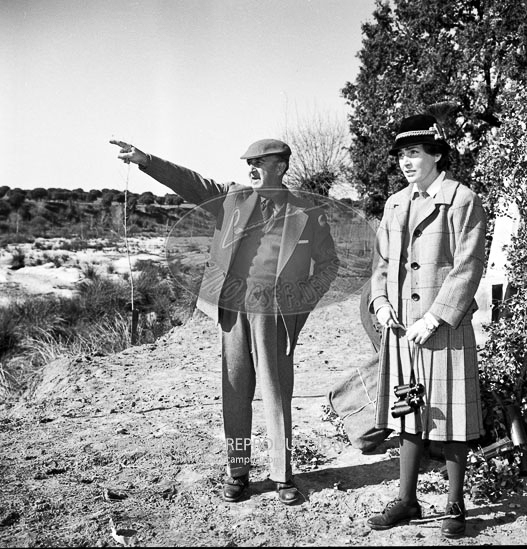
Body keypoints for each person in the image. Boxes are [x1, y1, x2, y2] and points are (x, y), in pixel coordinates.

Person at [110, 137, 339, 505]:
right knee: (234, 393)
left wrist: (301, 303)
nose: (250, 168)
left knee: (277, 395)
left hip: (277, 312)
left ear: (280, 167)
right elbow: (190, 182)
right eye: (248, 163)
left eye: (258, 163)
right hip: (234, 309)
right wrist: (146, 160)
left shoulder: (307, 210)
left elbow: (329, 265)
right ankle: (238, 472)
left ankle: (282, 476)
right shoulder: (233, 197)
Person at [366, 114, 486, 538]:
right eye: (401, 154)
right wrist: (381, 304)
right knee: (407, 414)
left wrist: (435, 317)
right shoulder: (395, 203)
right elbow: (381, 263)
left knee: (452, 416)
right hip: (401, 328)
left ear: (436, 155)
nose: (406, 161)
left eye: (414, 153)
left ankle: (455, 504)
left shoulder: (462, 199)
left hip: (445, 327)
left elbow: (469, 266)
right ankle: (407, 501)